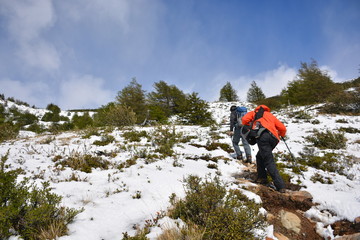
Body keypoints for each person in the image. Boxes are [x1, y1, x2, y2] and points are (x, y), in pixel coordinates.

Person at [242, 105, 287, 193]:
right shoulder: (270, 115)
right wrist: (281, 134)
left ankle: (280, 185)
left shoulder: (253, 113)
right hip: (274, 139)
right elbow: (282, 128)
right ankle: (262, 178)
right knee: (260, 156)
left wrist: (251, 126)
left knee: (268, 161)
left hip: (263, 137)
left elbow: (244, 120)